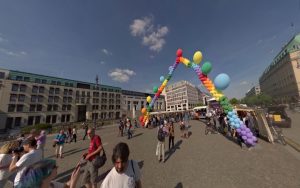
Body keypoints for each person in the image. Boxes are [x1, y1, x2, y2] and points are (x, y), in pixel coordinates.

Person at [15, 159, 81, 188]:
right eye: (54, 167)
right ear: (45, 174)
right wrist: (74, 183)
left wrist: (73, 177)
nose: (57, 167)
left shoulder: (50, 183)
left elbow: (66, 186)